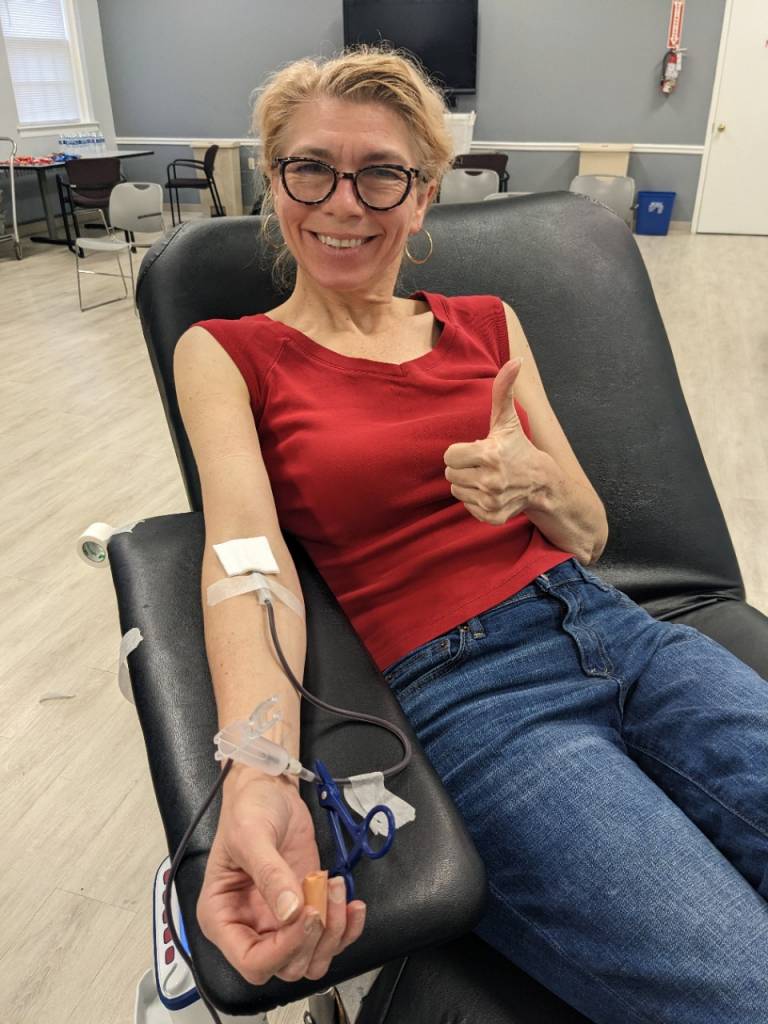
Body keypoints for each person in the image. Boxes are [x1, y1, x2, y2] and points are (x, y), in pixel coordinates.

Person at [173, 46, 768, 1024]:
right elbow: (244, 563)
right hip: (477, 703)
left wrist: (537, 480)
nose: (344, 202)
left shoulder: (490, 322)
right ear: (274, 180)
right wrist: (258, 767)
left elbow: (588, 532)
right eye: (310, 168)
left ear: (422, 193)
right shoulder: (231, 353)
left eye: (382, 174)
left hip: (620, 633)